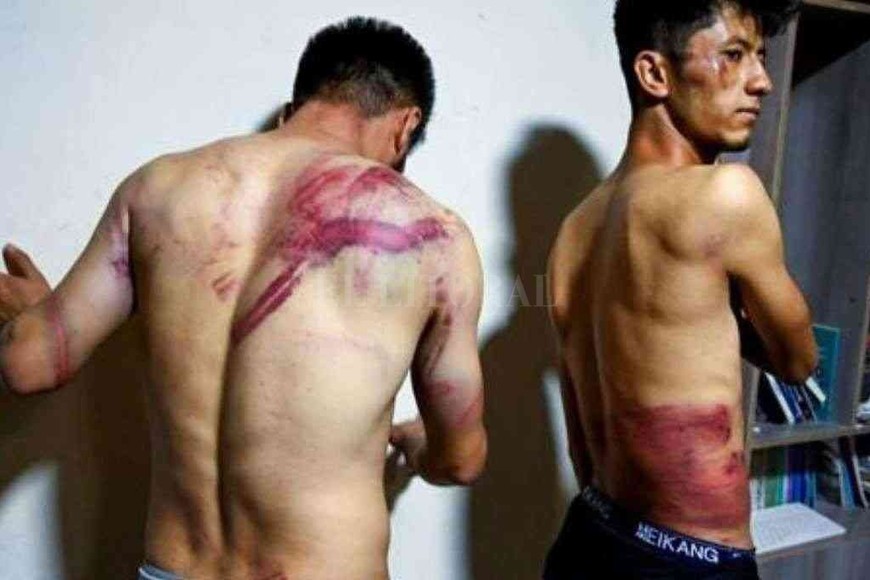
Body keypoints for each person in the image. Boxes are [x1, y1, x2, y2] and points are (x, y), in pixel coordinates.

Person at [0, 16, 486, 580]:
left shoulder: (155, 188)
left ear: (292, 109)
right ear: (405, 126)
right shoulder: (434, 237)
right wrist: (421, 447)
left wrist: (41, 315)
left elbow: (30, 364)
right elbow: (461, 460)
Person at [545, 1, 816, 578]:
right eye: (733, 55)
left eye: (761, 57)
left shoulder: (573, 229)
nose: (762, 82)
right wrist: (728, 303)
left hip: (589, 534)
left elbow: (580, 441)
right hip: (688, 559)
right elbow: (798, 362)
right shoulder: (726, 195)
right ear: (654, 73)